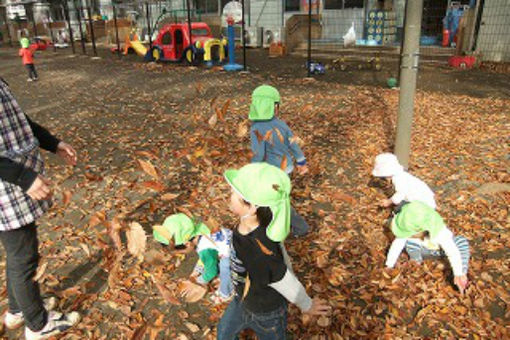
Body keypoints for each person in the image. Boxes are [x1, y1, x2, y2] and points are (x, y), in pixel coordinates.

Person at [0, 77, 80, 339]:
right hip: (8, 186)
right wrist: (24, 178)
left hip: (16, 181)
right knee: (24, 258)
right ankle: (37, 325)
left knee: (20, 252)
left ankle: (18, 311)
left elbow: (21, 123)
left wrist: (53, 143)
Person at [217, 163, 331, 339]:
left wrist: (306, 304)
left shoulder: (261, 251)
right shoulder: (250, 223)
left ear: (252, 207)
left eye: (234, 194)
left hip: (266, 312)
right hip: (242, 299)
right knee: (223, 333)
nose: (229, 196)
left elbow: (282, 277)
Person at [248, 85, 310, 237]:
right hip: (286, 169)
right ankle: (272, 224)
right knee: (277, 200)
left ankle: (299, 227)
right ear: (275, 107)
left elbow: (259, 154)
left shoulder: (256, 128)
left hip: (271, 173)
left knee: (277, 203)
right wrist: (301, 163)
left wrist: (252, 172)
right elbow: (293, 144)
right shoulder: (282, 124)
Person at [385, 201, 470, 294]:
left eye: (410, 234)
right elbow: (397, 245)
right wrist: (389, 265)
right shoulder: (409, 225)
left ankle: (463, 272)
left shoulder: (440, 231)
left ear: (420, 230)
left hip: (441, 251)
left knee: (461, 241)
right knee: (409, 242)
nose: (407, 235)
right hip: (424, 251)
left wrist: (458, 274)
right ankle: (416, 261)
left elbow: (452, 252)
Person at [153, 213, 233, 303]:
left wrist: (199, 281)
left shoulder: (204, 248)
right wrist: (197, 271)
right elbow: (205, 259)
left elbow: (211, 271)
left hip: (240, 260)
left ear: (187, 244)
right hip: (235, 246)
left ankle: (226, 293)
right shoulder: (203, 231)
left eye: (180, 252)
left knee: (225, 266)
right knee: (217, 260)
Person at [372, 153, 436, 209]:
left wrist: (388, 202)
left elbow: (399, 195)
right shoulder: (402, 175)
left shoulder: (398, 180)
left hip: (423, 204)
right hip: (425, 200)